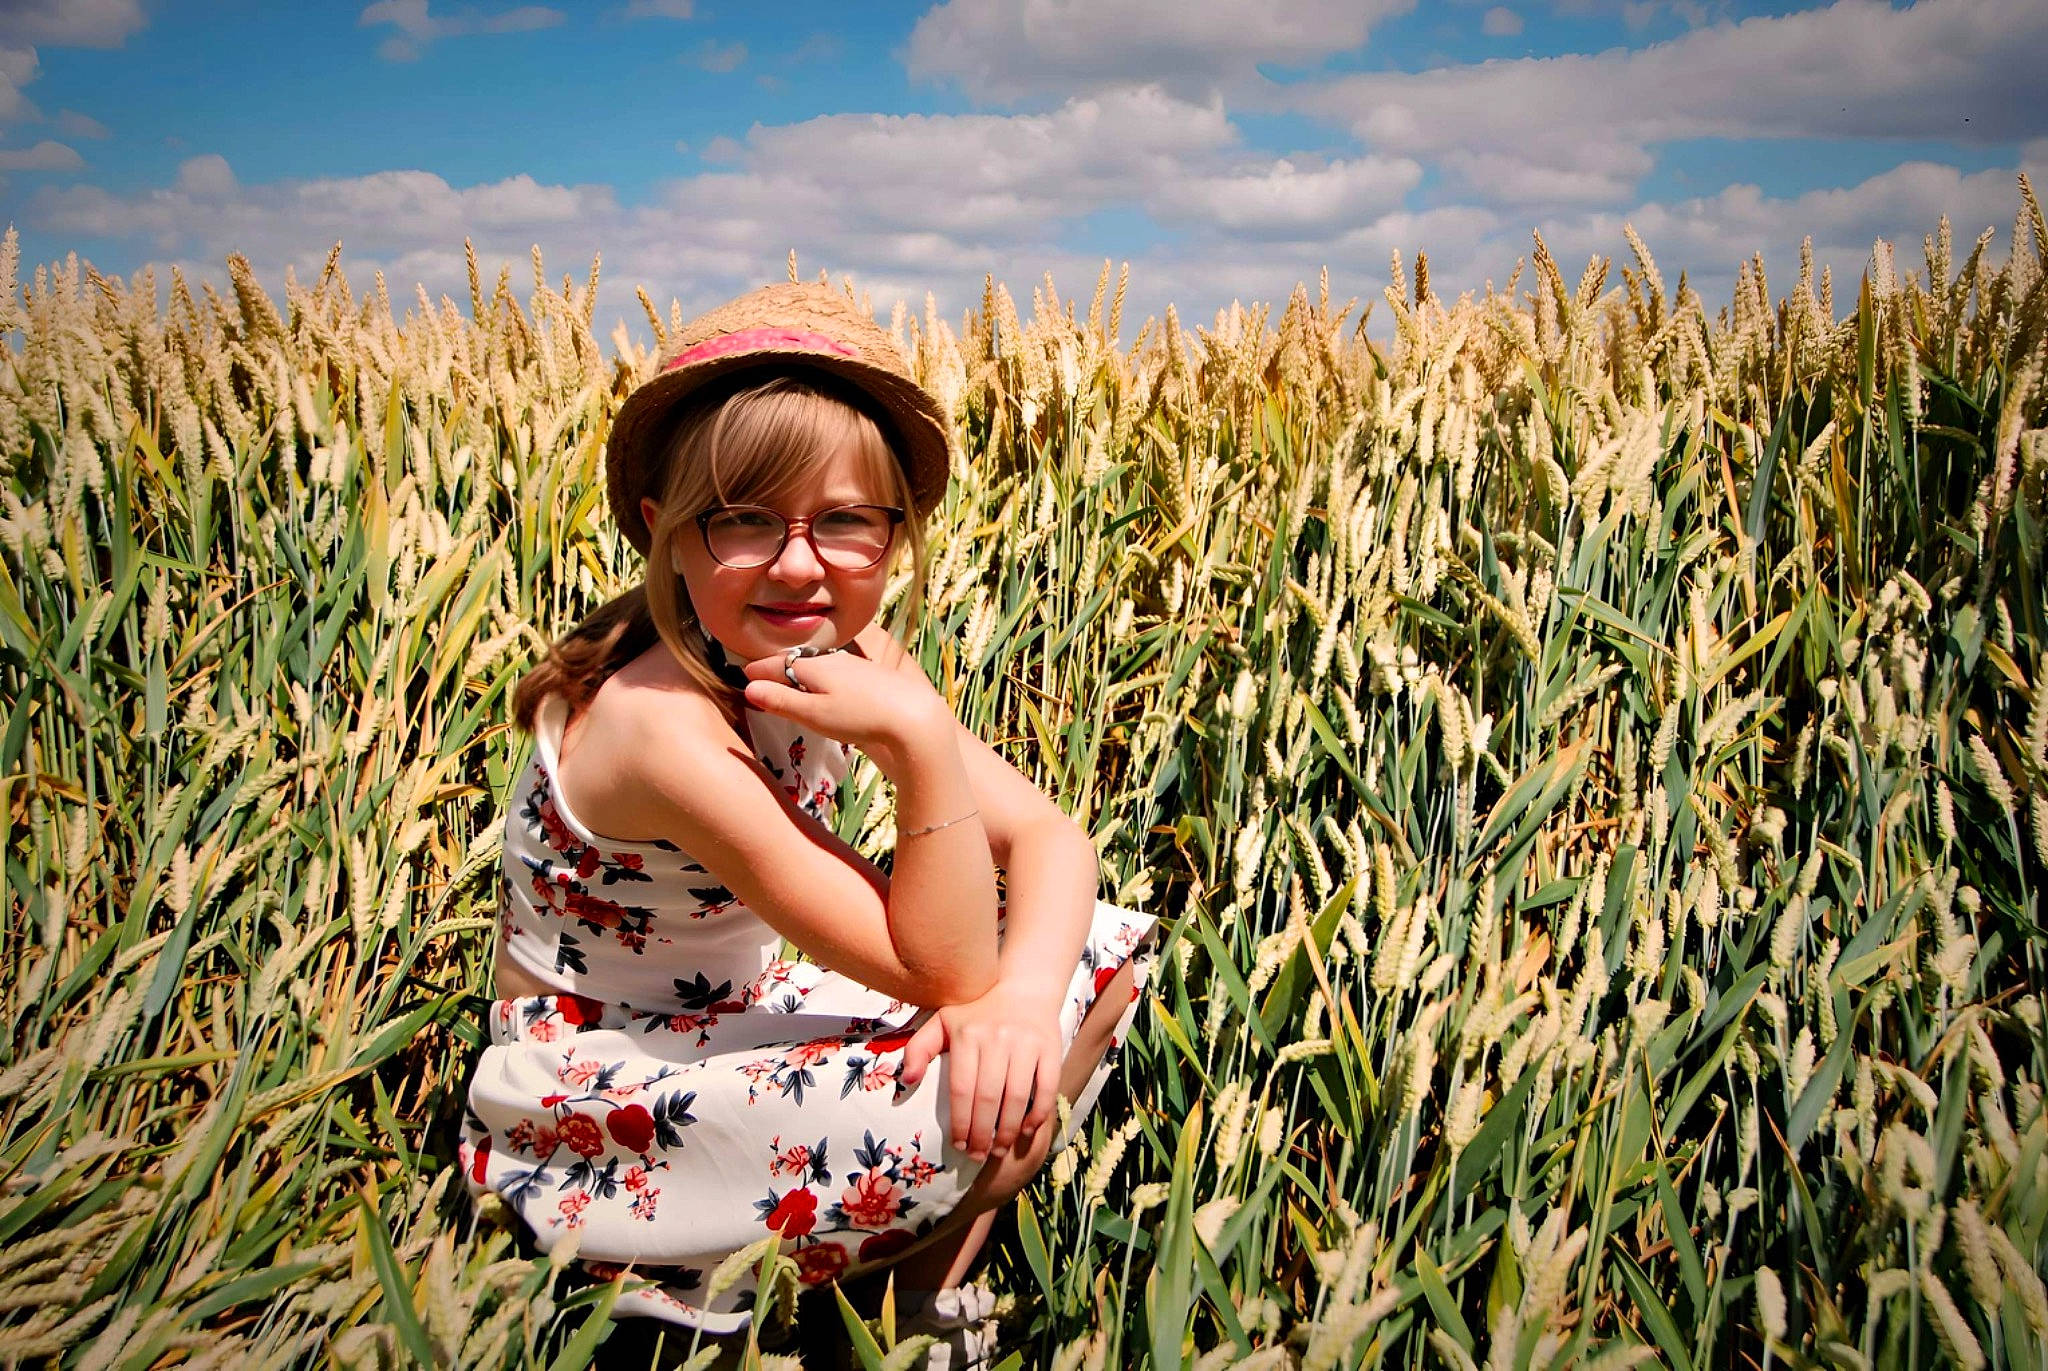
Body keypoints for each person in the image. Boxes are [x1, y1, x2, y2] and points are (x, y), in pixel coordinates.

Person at [457, 280, 1160, 1360]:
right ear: (668, 531)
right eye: (743, 519)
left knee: (1090, 957)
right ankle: (699, 1291)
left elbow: (1054, 843)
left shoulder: (831, 650)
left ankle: (897, 1309)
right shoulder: (661, 732)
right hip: (593, 1088)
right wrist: (923, 747)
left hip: (733, 1007)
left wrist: (1016, 1001)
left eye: (842, 521)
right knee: (972, 1104)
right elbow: (940, 967)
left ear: (892, 536)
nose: (799, 562)